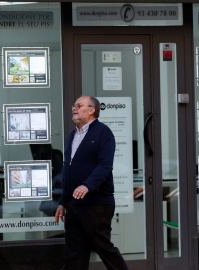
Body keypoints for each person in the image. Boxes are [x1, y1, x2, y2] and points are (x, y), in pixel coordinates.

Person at [55, 96, 128, 270]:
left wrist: (87, 185)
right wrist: (63, 202)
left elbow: (105, 165)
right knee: (75, 253)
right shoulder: (73, 134)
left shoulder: (103, 132)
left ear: (91, 110)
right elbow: (68, 170)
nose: (74, 108)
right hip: (74, 204)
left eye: (79, 106)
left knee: (104, 248)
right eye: (74, 105)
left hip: (96, 203)